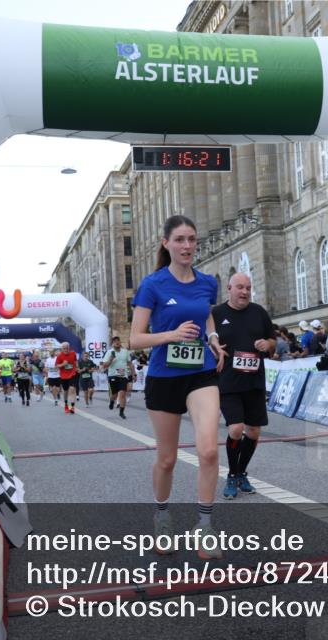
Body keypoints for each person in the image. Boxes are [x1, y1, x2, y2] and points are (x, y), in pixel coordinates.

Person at [130, 215, 226, 560]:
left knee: (209, 451)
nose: (187, 246)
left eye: (191, 239)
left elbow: (206, 315)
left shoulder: (207, 283)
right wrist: (171, 335)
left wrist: (213, 338)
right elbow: (135, 339)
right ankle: (162, 517)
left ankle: (205, 526)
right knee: (167, 459)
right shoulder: (152, 284)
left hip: (201, 373)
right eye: (180, 240)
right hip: (164, 376)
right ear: (166, 244)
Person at [212, 272, 276, 500]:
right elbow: (206, 340)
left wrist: (267, 343)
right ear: (229, 288)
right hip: (228, 381)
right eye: (240, 287)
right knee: (236, 428)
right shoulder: (217, 314)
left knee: (254, 431)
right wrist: (213, 350)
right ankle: (231, 475)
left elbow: (273, 340)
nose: (245, 292)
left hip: (254, 381)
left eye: (248, 288)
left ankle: (241, 472)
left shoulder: (259, 312)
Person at [102, 336, 133, 419]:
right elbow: (104, 365)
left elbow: (130, 363)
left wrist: (134, 374)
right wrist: (111, 359)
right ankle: (112, 401)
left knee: (122, 393)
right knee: (114, 395)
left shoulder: (125, 352)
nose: (117, 342)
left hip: (123, 375)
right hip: (112, 375)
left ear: (120, 342)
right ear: (112, 343)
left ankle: (121, 412)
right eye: (115, 341)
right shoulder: (109, 352)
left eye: (118, 340)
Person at [55, 342, 79, 414]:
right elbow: (56, 366)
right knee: (65, 392)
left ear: (69, 348)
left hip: (72, 374)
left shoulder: (73, 353)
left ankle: (72, 407)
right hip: (63, 376)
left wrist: (77, 366)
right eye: (64, 348)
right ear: (62, 349)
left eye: (67, 348)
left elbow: (75, 361)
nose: (66, 350)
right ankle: (66, 405)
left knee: (72, 389)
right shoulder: (59, 356)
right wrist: (63, 364)